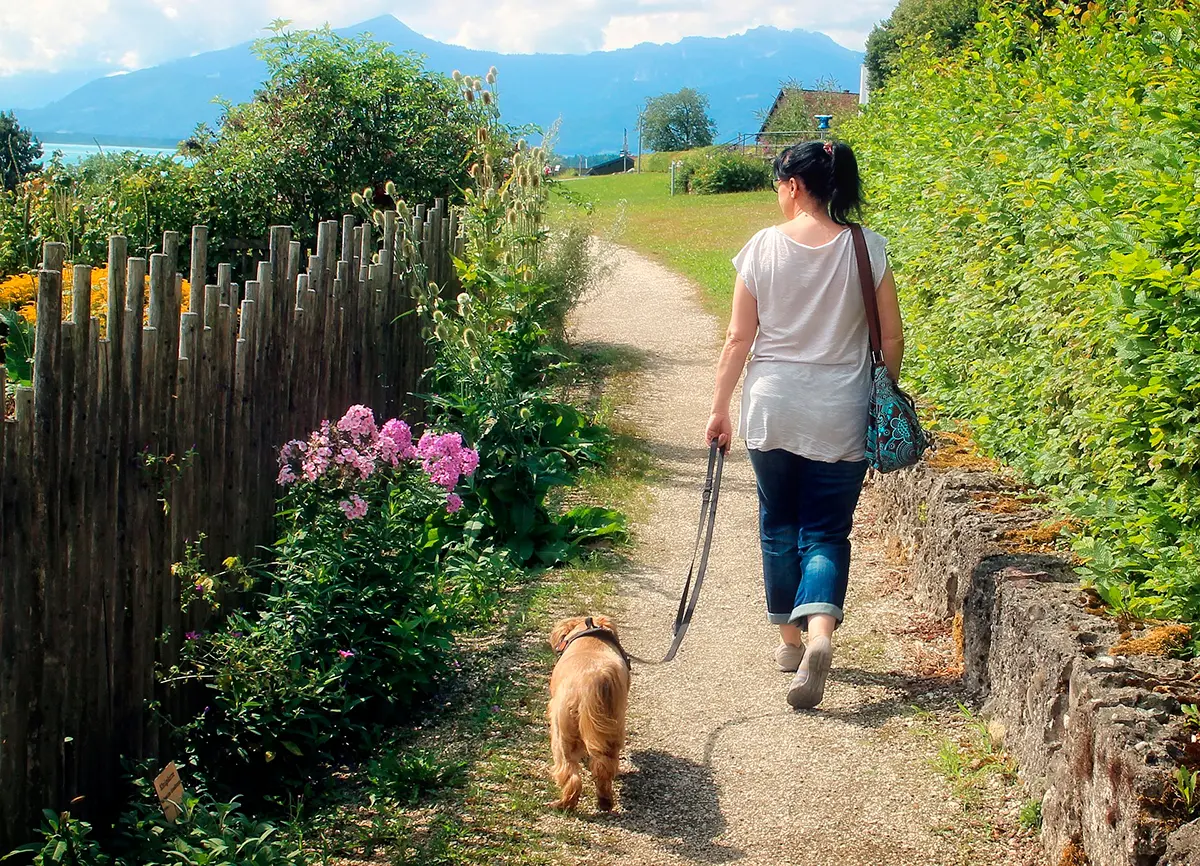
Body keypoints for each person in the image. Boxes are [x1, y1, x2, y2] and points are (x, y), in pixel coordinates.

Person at [705, 140, 904, 710]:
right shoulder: (869, 248)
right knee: (826, 530)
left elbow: (739, 338)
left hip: (773, 407)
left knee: (779, 523)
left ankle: (790, 644)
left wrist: (720, 407)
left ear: (793, 185)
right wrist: (878, 393)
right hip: (840, 409)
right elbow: (890, 337)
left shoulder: (762, 248)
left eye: (777, 184)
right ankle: (820, 631)